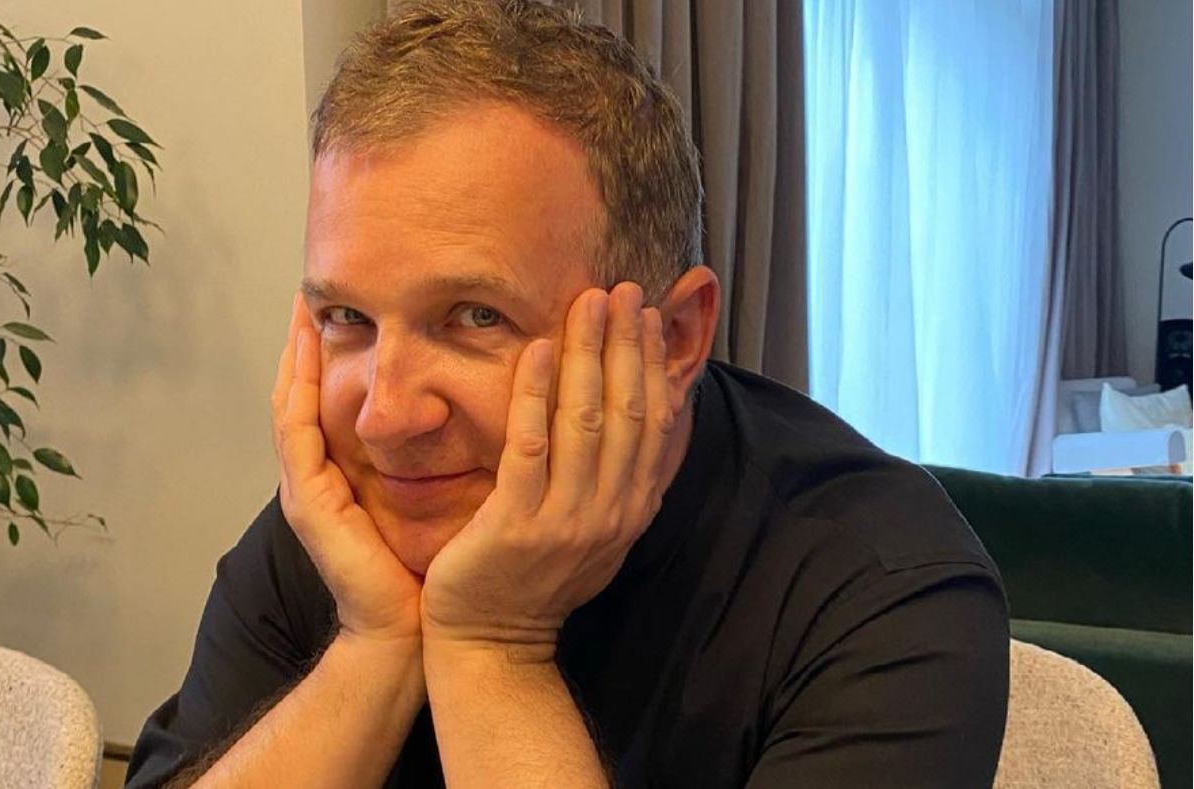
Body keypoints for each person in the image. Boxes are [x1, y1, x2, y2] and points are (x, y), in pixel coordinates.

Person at [126, 1, 1008, 787]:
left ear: (675, 338)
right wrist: (372, 645)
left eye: (476, 316)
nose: (386, 417)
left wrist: (493, 647)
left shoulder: (883, 588)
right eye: (347, 317)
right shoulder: (350, 518)